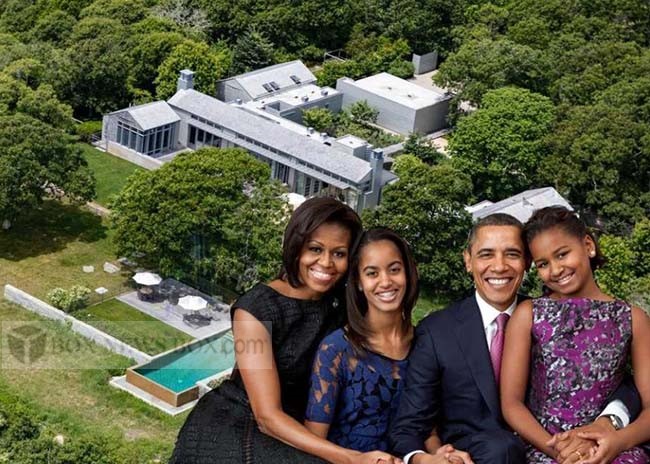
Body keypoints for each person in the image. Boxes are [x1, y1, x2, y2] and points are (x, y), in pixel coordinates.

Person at [389, 213, 640, 464]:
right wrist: (429, 457)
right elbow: (410, 425)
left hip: (562, 447)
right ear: (468, 261)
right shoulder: (437, 331)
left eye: (512, 254)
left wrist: (611, 419)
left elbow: (614, 378)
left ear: (527, 262)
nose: (499, 266)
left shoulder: (550, 316)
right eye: (486, 254)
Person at [170, 198, 399, 464]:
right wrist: (352, 458)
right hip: (240, 423)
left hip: (306, 427)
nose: (326, 262)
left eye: (339, 253)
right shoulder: (254, 310)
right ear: (295, 247)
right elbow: (267, 416)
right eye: (315, 249)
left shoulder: (343, 303)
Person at [501, 206, 650, 464]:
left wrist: (617, 442)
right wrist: (560, 452)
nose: (556, 269)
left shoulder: (633, 318)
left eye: (562, 254)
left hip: (610, 448)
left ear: (588, 246)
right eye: (543, 264)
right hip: (545, 446)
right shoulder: (529, 314)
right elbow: (511, 405)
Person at [305, 228, 468, 463]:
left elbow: (427, 429)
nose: (386, 282)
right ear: (359, 282)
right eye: (372, 273)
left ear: (408, 273)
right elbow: (314, 444)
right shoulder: (335, 349)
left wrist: (442, 456)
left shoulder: (427, 343)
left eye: (394, 270)